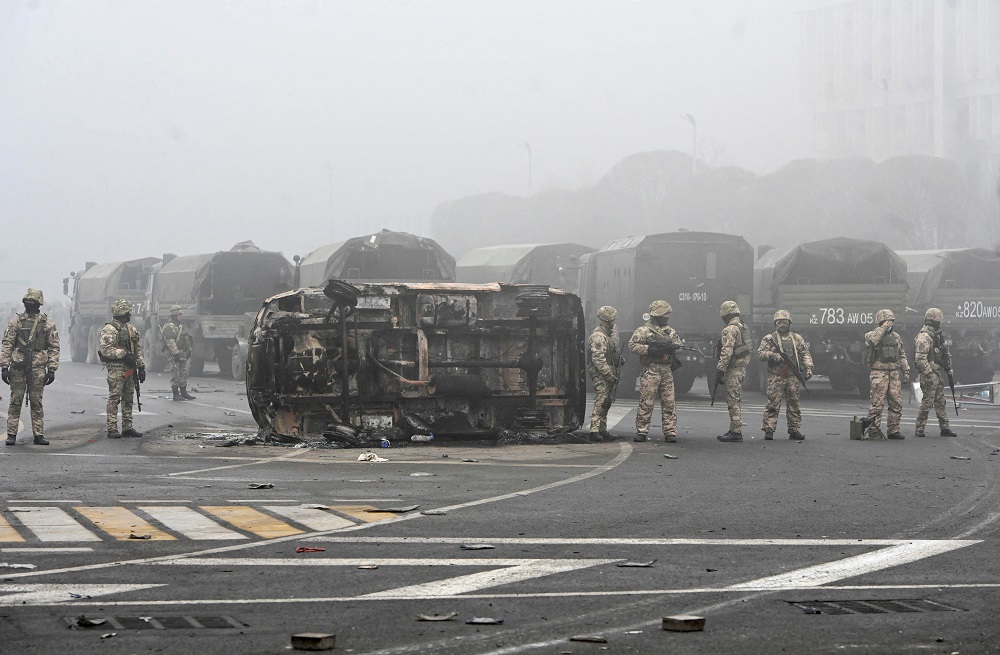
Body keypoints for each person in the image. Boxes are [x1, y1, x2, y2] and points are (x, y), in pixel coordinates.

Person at [1, 288, 60, 446]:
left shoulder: (47, 323)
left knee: (36, 402)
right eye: (28, 303)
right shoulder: (16, 322)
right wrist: (4, 367)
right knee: (15, 401)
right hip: (19, 366)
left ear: (39, 304)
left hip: (38, 368)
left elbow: (54, 347)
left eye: (33, 303)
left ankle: (38, 434)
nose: (30, 305)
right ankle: (11, 434)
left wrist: (52, 369)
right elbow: (7, 344)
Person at [628, 300, 683, 443]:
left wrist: (672, 347)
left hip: (666, 370)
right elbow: (632, 345)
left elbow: (679, 345)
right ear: (657, 316)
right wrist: (649, 349)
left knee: (669, 403)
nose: (667, 317)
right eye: (664, 315)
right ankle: (642, 431)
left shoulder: (670, 332)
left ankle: (670, 432)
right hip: (651, 369)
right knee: (646, 402)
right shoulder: (644, 331)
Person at [757, 310, 813, 440]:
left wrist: (809, 367)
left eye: (784, 322)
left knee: (794, 403)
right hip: (776, 376)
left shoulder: (797, 338)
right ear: (775, 324)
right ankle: (769, 429)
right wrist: (772, 355)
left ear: (789, 323)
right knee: (773, 403)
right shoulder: (769, 339)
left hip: (792, 376)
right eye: (779, 322)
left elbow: (805, 353)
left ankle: (794, 429)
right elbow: (760, 353)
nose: (782, 325)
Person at [99, 299, 145, 439]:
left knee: (128, 398)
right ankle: (112, 428)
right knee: (114, 397)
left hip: (130, 369)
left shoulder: (131, 329)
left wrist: (141, 366)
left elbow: (137, 350)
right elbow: (106, 350)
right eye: (127, 312)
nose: (129, 314)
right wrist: (123, 354)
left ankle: (127, 427)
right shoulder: (109, 329)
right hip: (116, 368)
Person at [863, 309, 910, 439]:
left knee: (896, 402)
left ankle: (893, 430)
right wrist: (883, 328)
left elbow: (901, 355)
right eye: (887, 321)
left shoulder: (896, 337)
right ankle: (874, 430)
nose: (890, 324)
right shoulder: (871, 335)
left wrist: (906, 370)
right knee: (877, 403)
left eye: (891, 322)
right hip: (879, 372)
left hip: (894, 373)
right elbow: (873, 340)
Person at [913, 307, 957, 438]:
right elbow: (920, 359)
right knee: (927, 402)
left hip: (936, 372)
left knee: (940, 402)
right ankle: (919, 428)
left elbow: (942, 355)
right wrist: (929, 373)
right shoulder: (924, 337)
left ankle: (945, 428)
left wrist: (947, 367)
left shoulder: (936, 336)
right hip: (930, 375)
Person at [715, 300, 752, 442]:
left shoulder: (730, 329)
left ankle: (736, 431)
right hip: (741, 367)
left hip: (733, 368)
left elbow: (727, 351)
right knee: (735, 397)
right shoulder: (743, 326)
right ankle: (733, 429)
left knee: (733, 400)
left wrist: (720, 369)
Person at [587, 305, 622, 441]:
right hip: (601, 373)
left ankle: (602, 428)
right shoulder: (598, 336)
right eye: (610, 321)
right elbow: (598, 358)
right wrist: (607, 374)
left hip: (608, 371)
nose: (613, 323)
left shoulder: (607, 336)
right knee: (601, 400)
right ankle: (594, 430)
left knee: (606, 401)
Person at [161, 305, 195, 401]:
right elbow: (170, 341)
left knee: (183, 372)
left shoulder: (181, 325)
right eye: (179, 314)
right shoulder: (169, 326)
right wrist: (175, 353)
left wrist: (189, 350)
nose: (181, 316)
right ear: (174, 315)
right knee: (175, 373)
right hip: (174, 353)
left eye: (181, 314)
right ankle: (176, 394)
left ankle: (183, 392)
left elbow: (187, 338)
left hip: (183, 352)